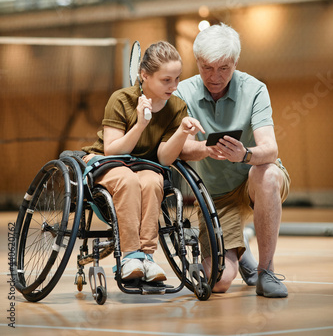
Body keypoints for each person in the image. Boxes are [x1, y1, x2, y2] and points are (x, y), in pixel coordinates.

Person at [175, 23, 291, 298]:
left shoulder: (255, 89)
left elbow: (270, 149)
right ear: (197, 62)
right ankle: (240, 253)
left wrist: (244, 155)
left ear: (235, 63)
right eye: (207, 67)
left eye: (224, 68)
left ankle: (266, 271)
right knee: (219, 283)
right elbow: (178, 150)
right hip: (216, 196)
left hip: (253, 180)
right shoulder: (182, 92)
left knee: (268, 173)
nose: (214, 76)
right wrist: (204, 149)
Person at [81, 41, 204, 283]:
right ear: (144, 75)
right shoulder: (121, 99)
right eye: (166, 80)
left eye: (177, 79)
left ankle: (146, 257)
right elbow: (112, 150)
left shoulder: (177, 106)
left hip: (144, 167)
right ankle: (129, 256)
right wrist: (140, 125)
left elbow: (164, 158)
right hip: (105, 163)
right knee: (128, 180)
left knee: (152, 181)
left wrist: (182, 132)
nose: (174, 86)